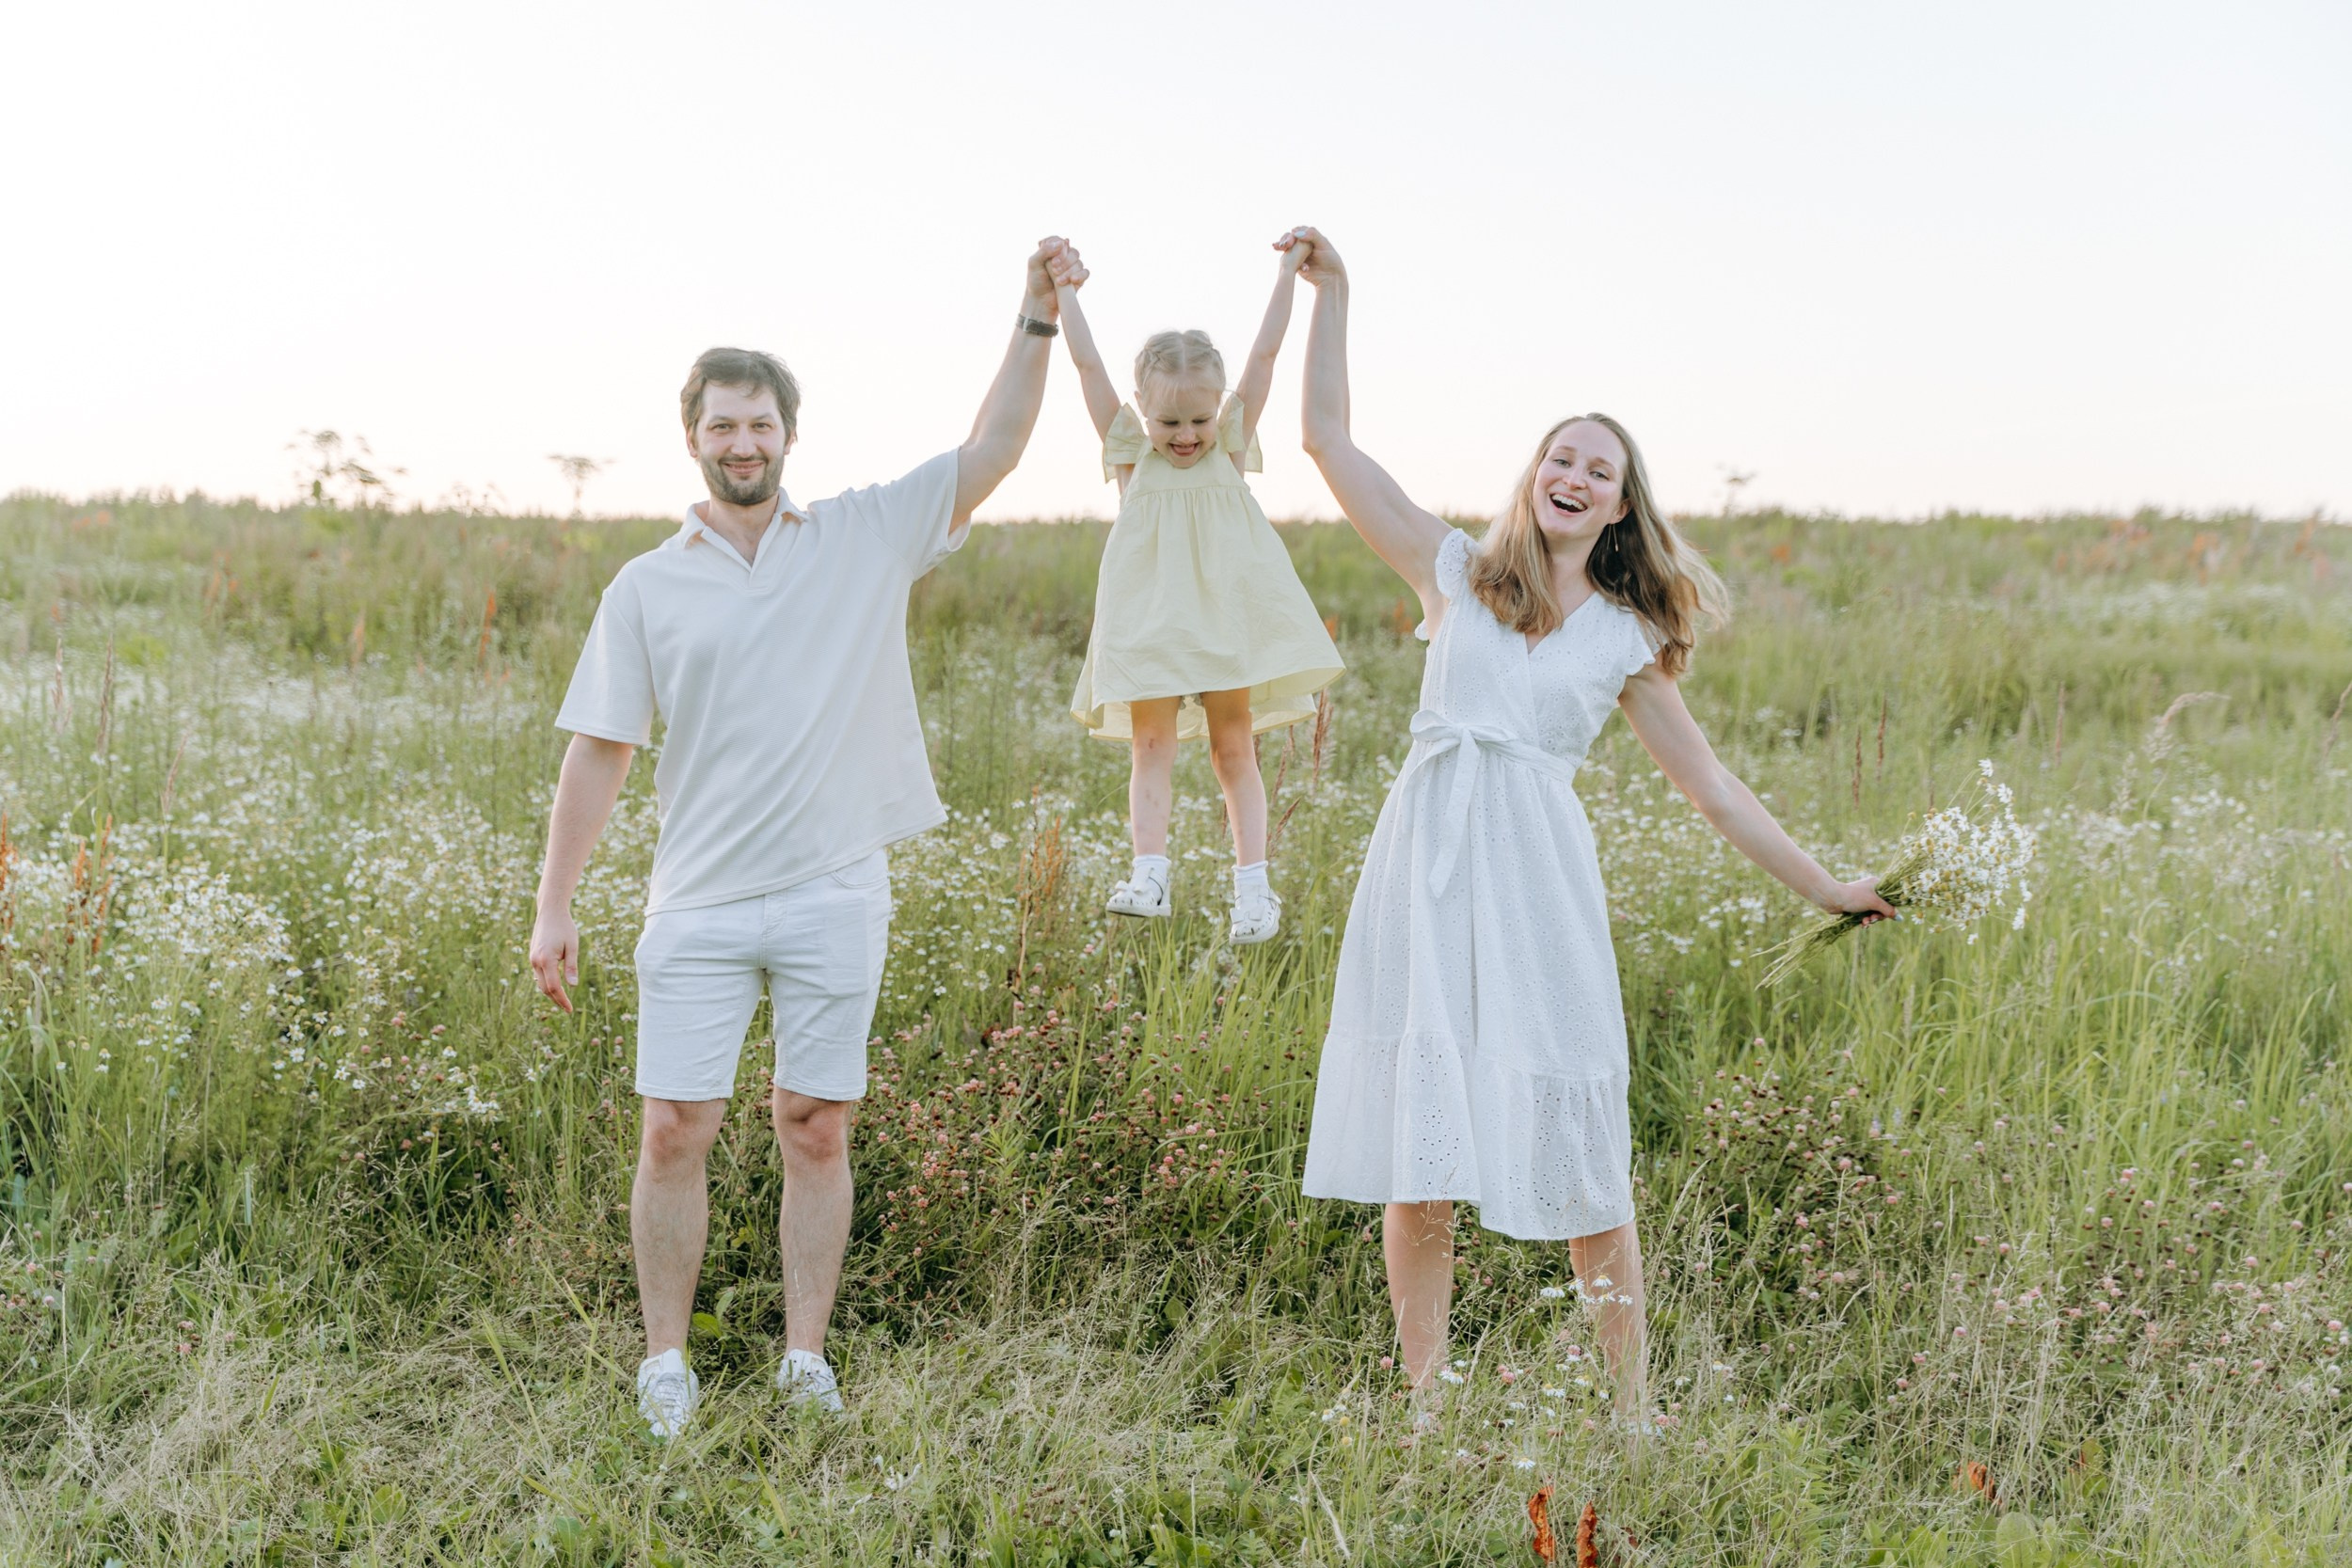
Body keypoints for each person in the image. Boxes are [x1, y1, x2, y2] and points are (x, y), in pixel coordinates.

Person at [1281, 226, 1895, 1426]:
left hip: (1536, 884)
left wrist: (1826, 886)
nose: (1572, 474)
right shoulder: (1452, 572)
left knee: (1581, 1142)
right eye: (1558, 456)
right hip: (1425, 864)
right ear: (1532, 476)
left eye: (1598, 469)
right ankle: (1422, 1402)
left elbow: (1712, 788)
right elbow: (1325, 442)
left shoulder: (1625, 636)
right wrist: (1336, 295)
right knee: (1423, 1151)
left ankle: (1629, 1406)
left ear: (1620, 507)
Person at [526, 240, 1077, 1440]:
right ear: (694, 438)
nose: (744, 442)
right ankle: (665, 1359)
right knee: (675, 1127)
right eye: (723, 424)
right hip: (700, 902)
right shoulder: (645, 586)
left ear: (787, 433)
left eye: (762, 422)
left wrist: (1034, 317)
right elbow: (600, 748)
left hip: (835, 890)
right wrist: (554, 902)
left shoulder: (864, 537)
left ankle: (803, 1356)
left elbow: (993, 451)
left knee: (813, 1121)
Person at [1049, 241, 1343, 943]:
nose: (1186, 436)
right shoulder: (1130, 453)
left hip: (1221, 623)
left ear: (1220, 411)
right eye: (1169, 422)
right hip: (1150, 623)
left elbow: (1265, 359)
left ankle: (1253, 890)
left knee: (1231, 747)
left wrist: (1285, 277)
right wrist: (1065, 293)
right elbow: (1087, 366)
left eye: (1199, 421)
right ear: (1143, 415)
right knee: (1150, 744)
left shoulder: (1232, 443)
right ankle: (1149, 873)